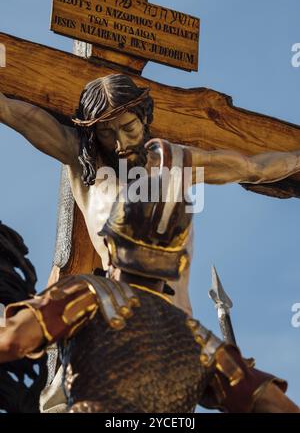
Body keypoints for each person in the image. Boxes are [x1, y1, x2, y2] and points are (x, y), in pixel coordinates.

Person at [1, 74, 300, 316]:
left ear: (144, 116)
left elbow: (253, 168)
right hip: (117, 314)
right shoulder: (83, 161)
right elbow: (14, 113)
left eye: (128, 127)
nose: (120, 143)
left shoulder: (176, 162)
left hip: (175, 318)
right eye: (107, 133)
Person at [0, 171, 298, 413]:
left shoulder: (91, 294)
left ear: (112, 245)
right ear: (179, 263)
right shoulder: (201, 342)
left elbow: (13, 340)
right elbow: (273, 403)